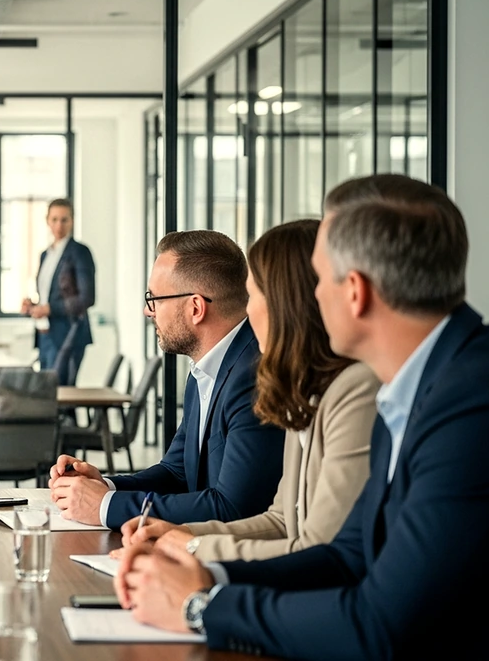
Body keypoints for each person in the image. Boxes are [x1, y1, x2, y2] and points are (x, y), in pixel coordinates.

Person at [116, 175, 489, 659]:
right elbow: (345, 557)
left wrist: (200, 605)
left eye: (319, 279)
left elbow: (379, 624)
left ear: (355, 292)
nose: (309, 296)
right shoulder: (417, 385)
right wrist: (204, 574)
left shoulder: (473, 404)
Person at [117, 219, 379, 562]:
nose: (245, 311)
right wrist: (179, 536)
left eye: (252, 295)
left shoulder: (353, 391)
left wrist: (191, 549)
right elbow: (281, 520)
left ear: (286, 306)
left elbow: (319, 550)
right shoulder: (303, 392)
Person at [50, 230, 285, 529]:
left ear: (195, 308)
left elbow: (232, 508)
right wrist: (105, 486)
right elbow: (177, 473)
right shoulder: (204, 369)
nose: (147, 311)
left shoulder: (254, 376)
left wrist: (105, 506)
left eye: (155, 299)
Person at [20, 198, 94, 386]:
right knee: (45, 392)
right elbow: (50, 296)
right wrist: (33, 306)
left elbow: (87, 298)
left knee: (61, 392)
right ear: (47, 221)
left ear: (72, 221)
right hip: (46, 335)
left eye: (64, 219)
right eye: (54, 219)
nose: (59, 225)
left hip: (69, 334)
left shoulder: (80, 252)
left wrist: (49, 309)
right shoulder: (45, 255)